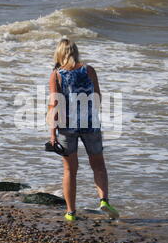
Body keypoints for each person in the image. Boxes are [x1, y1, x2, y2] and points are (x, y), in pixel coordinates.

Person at [48, 37, 119, 221]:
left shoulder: (56, 74)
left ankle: (71, 212)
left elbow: (54, 104)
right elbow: (97, 97)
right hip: (90, 123)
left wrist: (52, 134)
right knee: (98, 165)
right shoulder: (88, 70)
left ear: (59, 54)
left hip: (66, 126)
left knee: (70, 170)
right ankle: (103, 200)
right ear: (76, 52)